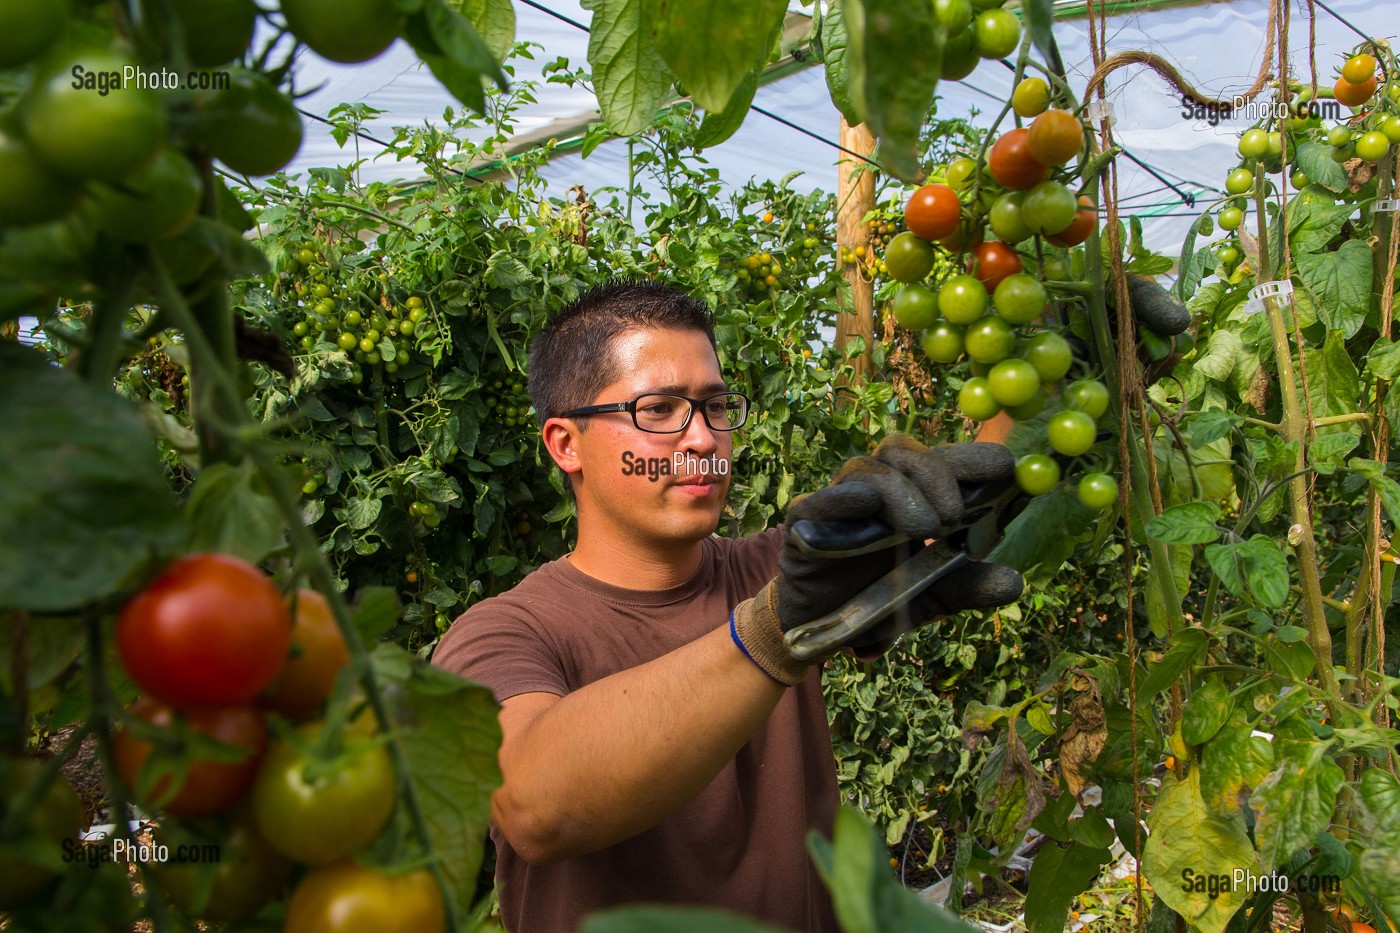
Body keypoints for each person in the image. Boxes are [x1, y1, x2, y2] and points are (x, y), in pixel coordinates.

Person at [431, 281, 1023, 932]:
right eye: (658, 409)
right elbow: (534, 805)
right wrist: (772, 634)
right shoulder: (503, 634)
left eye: (715, 406)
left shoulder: (778, 571)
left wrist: (1041, 346)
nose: (704, 437)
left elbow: (983, 488)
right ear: (565, 443)